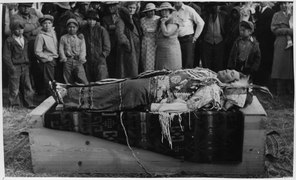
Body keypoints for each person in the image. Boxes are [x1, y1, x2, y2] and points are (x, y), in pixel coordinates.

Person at [50, 67, 250, 114]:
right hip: (153, 82)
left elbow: (187, 106)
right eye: (231, 69)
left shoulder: (212, 90)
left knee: (113, 93)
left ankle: (67, 97)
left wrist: (155, 107)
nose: (228, 70)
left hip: (153, 92)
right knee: (113, 86)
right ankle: (68, 91)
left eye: (231, 74)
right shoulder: (209, 73)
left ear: (229, 84)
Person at [11, 3, 43, 95]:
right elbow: (22, 29)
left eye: (28, 6)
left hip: (34, 45)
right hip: (21, 46)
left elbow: (41, 26)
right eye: (24, 6)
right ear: (19, 7)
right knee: (24, 68)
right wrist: (34, 28)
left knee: (36, 67)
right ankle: (24, 92)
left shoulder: (34, 16)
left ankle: (39, 91)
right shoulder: (15, 17)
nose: (26, 9)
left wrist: (31, 31)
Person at [3, 21, 35, 108]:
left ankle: (29, 103)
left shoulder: (24, 39)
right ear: (13, 30)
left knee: (27, 86)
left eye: (21, 29)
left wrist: (28, 63)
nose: (19, 31)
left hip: (25, 66)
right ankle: (14, 104)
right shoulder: (9, 41)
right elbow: (6, 56)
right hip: (15, 66)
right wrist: (11, 67)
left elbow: (28, 53)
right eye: (17, 29)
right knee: (14, 87)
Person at [80, 10, 111, 82]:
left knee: (101, 80)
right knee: (89, 81)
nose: (91, 21)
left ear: (96, 21)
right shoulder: (83, 30)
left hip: (99, 59)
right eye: (89, 19)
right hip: (88, 60)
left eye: (93, 19)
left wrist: (103, 55)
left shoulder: (101, 30)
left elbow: (107, 46)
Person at [270, 2, 294, 95]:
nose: (284, 5)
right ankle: (279, 89)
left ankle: (290, 89)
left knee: (290, 66)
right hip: (281, 42)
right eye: (282, 3)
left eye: (287, 3)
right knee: (280, 65)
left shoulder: (292, 14)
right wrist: (288, 30)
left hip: (292, 42)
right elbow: (273, 29)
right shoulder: (276, 15)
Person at [173, 2, 205, 69]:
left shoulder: (188, 9)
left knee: (188, 63)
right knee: (176, 63)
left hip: (187, 40)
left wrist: (195, 37)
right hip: (174, 41)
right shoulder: (171, 10)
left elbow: (201, 23)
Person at [115, 2, 142, 78]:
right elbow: (120, 34)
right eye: (130, 7)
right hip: (127, 49)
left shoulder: (133, 19)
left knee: (134, 66)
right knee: (126, 69)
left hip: (135, 47)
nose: (132, 10)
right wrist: (127, 44)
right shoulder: (121, 20)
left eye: (134, 8)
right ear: (126, 8)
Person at [34, 15, 59, 98]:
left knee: (56, 81)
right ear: (41, 25)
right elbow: (37, 51)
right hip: (48, 61)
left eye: (49, 23)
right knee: (49, 81)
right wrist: (48, 58)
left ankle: (57, 98)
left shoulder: (53, 33)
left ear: (52, 24)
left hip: (56, 59)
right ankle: (50, 99)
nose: (47, 25)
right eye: (45, 23)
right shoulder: (40, 36)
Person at [59, 18, 88, 85]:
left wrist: (82, 58)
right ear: (67, 28)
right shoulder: (63, 38)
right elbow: (61, 49)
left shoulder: (80, 38)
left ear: (77, 28)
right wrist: (63, 57)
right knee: (68, 79)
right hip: (68, 60)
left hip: (78, 60)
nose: (71, 29)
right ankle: (70, 92)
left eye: (73, 27)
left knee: (82, 78)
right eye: (69, 27)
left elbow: (83, 49)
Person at [155, 2, 182, 71]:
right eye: (162, 10)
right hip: (161, 50)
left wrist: (163, 23)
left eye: (166, 10)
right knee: (161, 72)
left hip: (170, 50)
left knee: (171, 71)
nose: (164, 12)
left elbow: (167, 33)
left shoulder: (173, 19)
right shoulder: (161, 19)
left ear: (170, 11)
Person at [200, 2, 227, 72]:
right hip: (207, 42)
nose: (214, 8)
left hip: (219, 42)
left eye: (216, 6)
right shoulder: (204, 15)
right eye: (212, 6)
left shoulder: (223, 15)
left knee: (218, 64)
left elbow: (227, 28)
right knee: (206, 64)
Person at [253, 2, 275, 86]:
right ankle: (256, 80)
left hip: (266, 41)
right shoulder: (255, 10)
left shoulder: (271, 12)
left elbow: (268, 28)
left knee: (264, 61)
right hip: (257, 40)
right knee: (256, 59)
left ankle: (263, 82)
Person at [101, 1, 120, 78]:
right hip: (110, 42)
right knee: (111, 61)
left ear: (116, 6)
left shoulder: (121, 16)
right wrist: (115, 27)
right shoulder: (105, 18)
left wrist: (111, 27)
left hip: (119, 41)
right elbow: (105, 30)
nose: (110, 8)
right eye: (109, 6)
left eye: (112, 6)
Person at [140, 3, 160, 71]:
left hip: (155, 41)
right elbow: (143, 30)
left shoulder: (158, 19)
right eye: (150, 11)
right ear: (146, 12)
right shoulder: (142, 20)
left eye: (153, 10)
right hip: (146, 41)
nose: (152, 12)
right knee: (146, 59)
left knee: (156, 59)